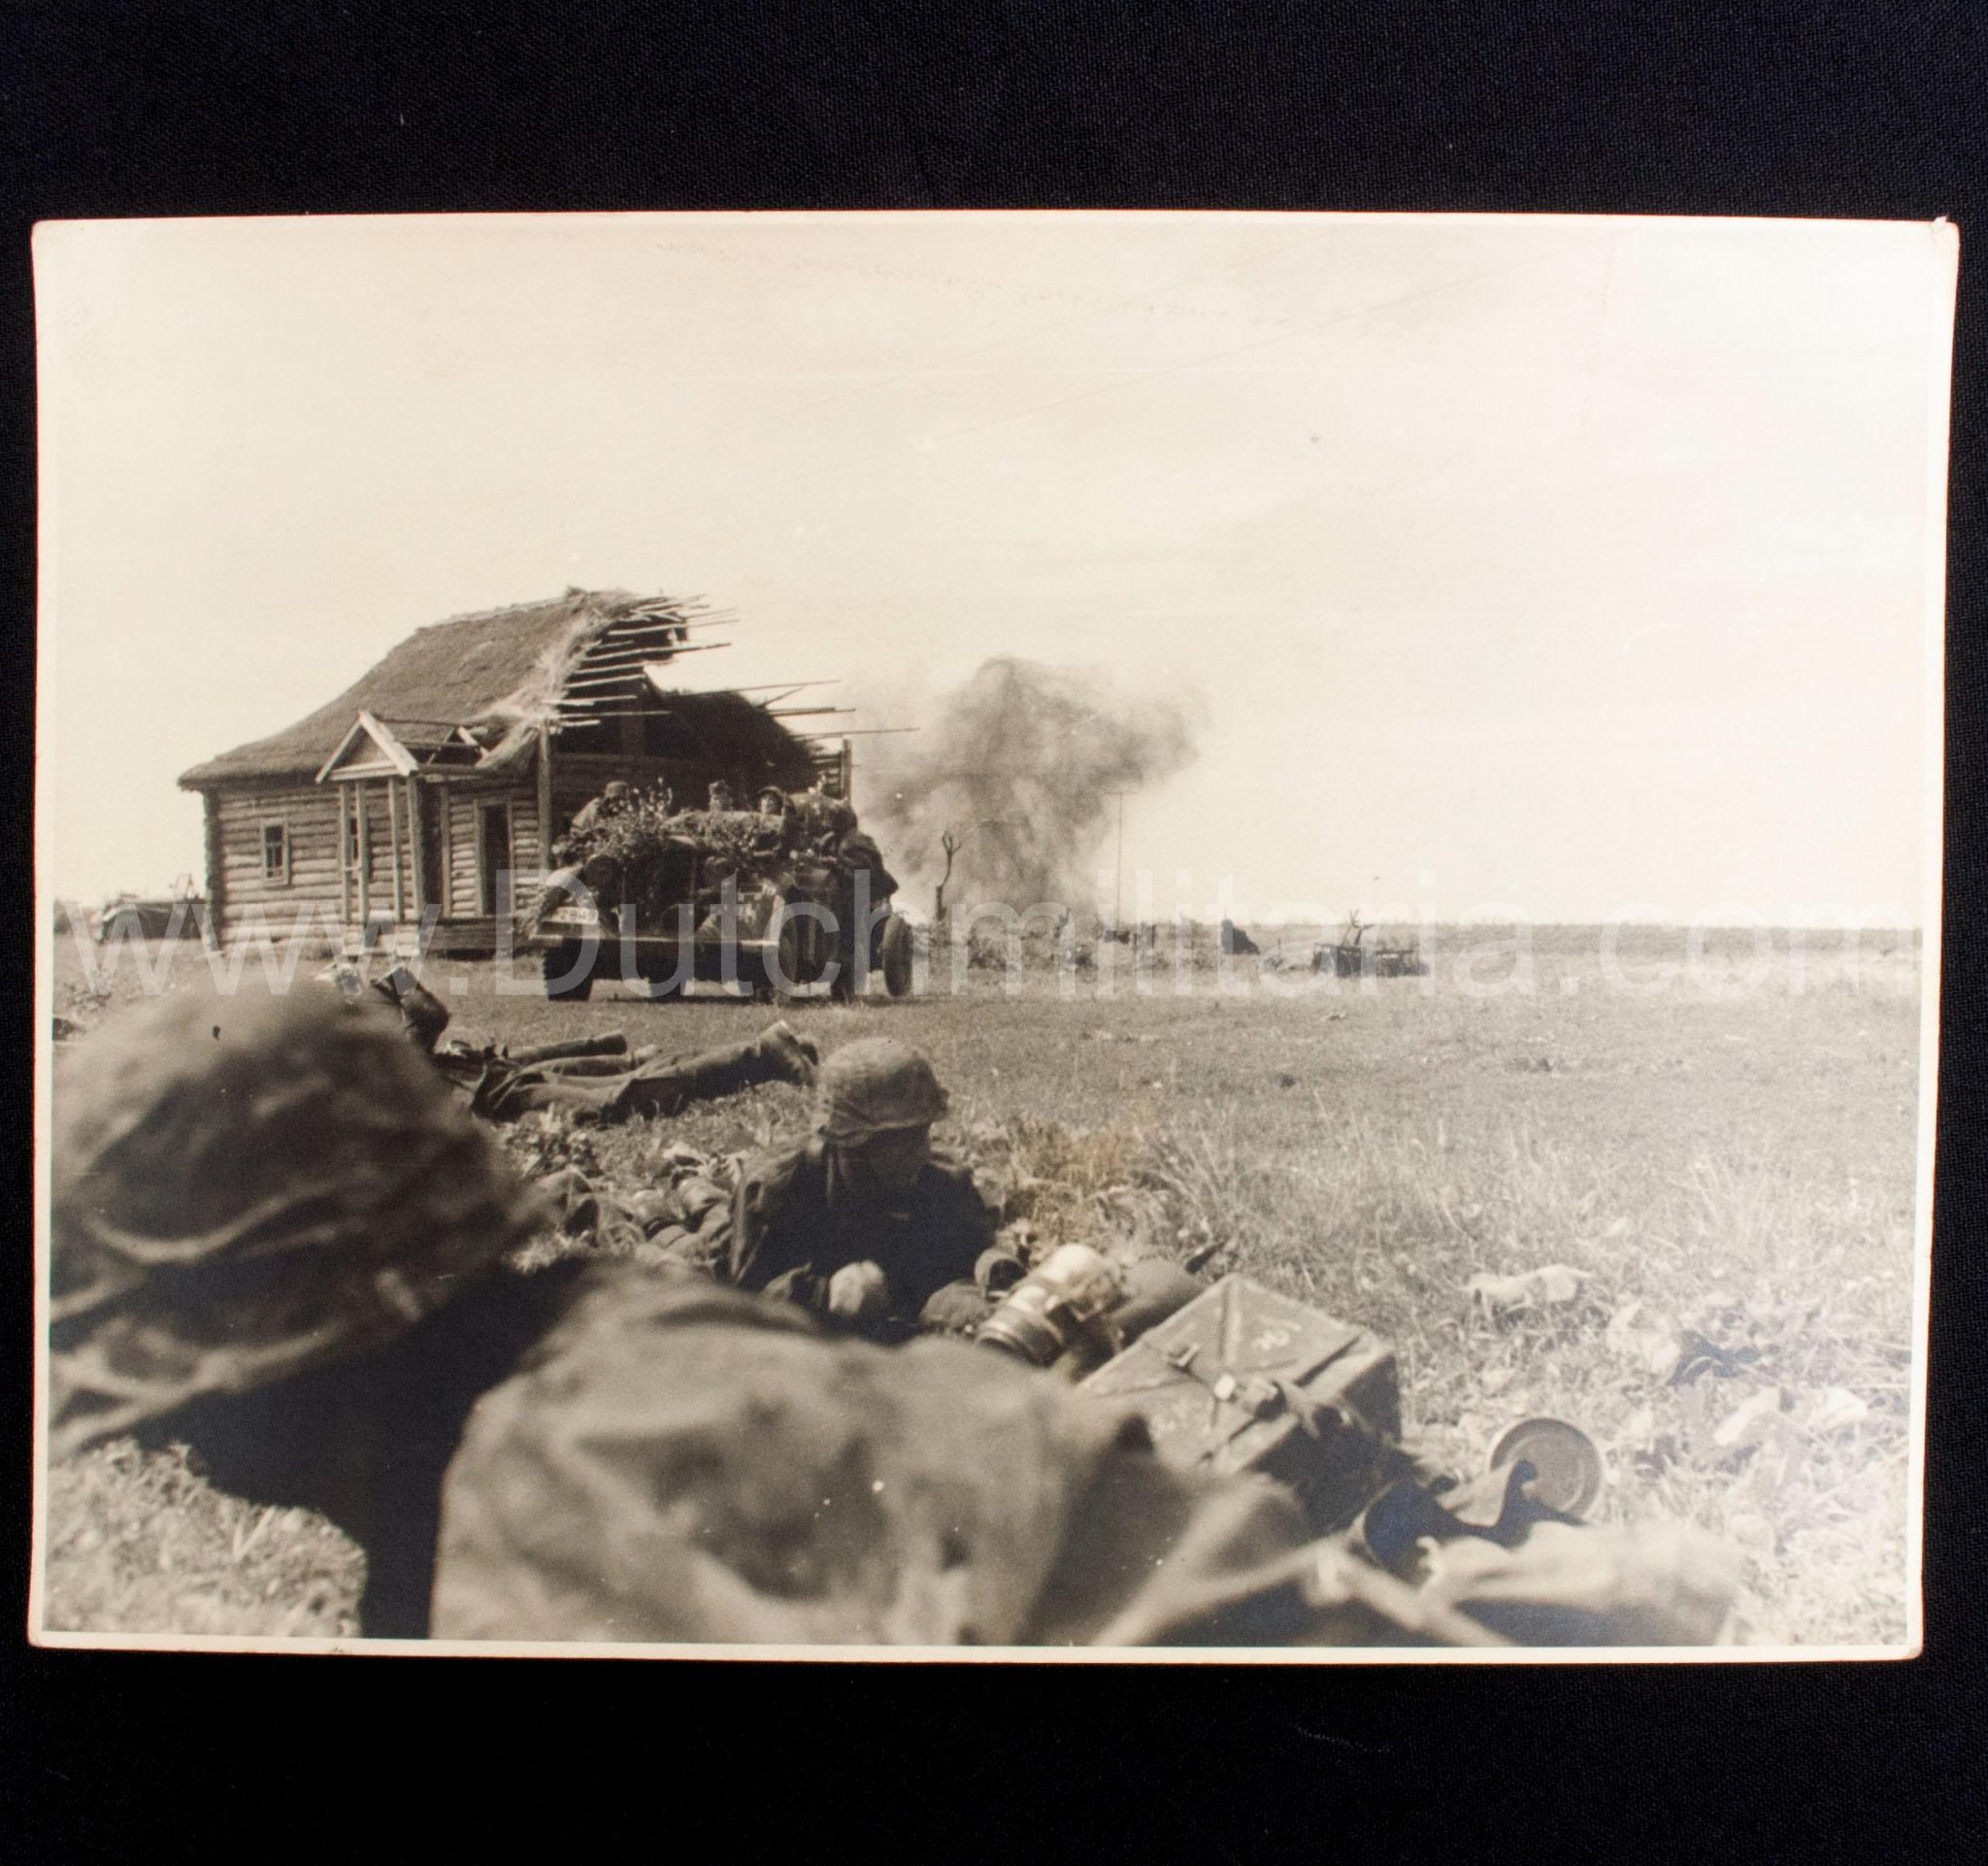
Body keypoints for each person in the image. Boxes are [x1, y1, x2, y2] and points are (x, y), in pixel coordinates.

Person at [48, 991, 1741, 1648]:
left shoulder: (593, 1451)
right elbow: (750, 1295)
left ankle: (1525, 1593)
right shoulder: (730, 1252)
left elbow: (1192, 1610)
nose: (178, 1446)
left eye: (169, 1398)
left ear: (280, 1347)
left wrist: (987, 1293)